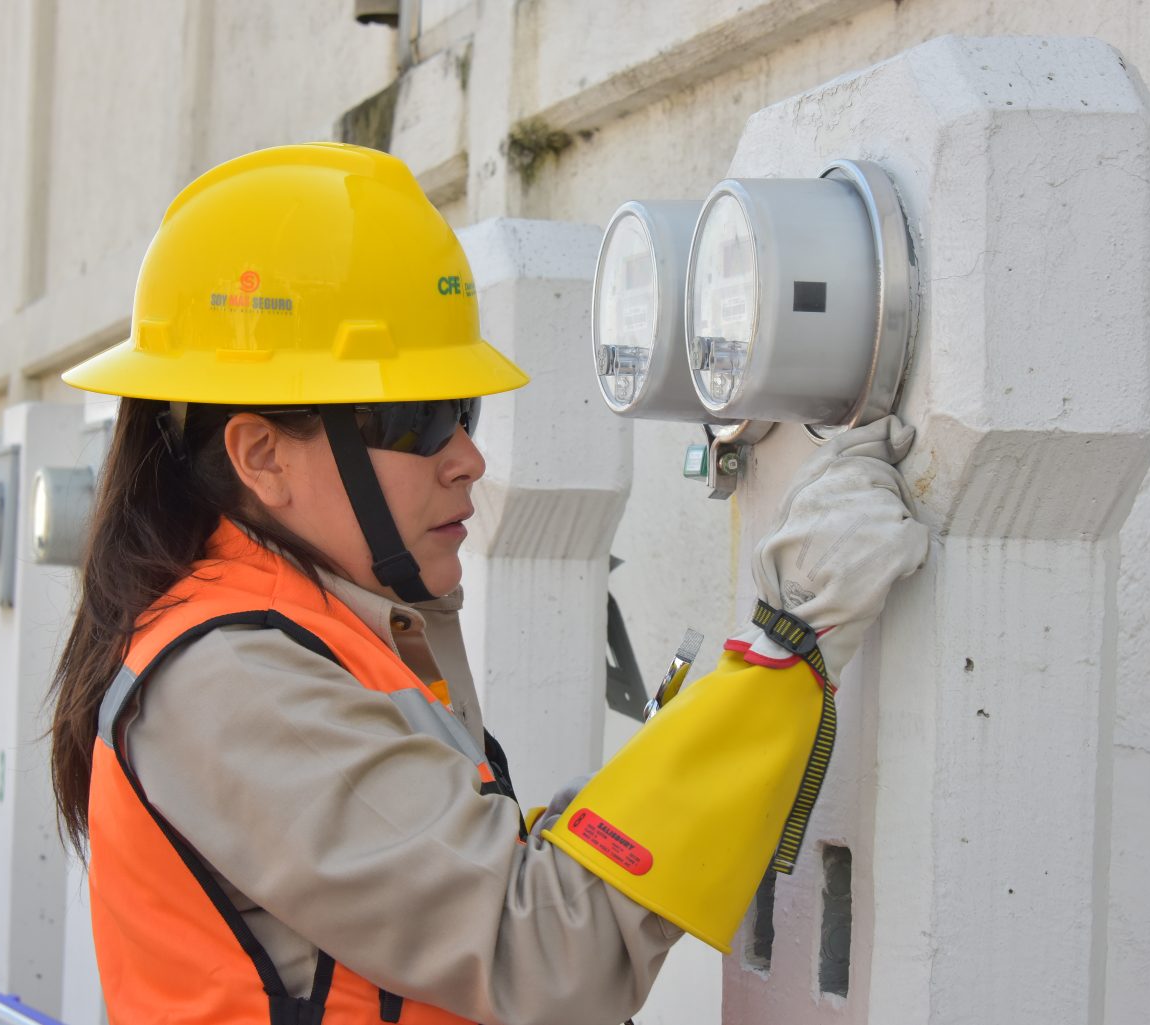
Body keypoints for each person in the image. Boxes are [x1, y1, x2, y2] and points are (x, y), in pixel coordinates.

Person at [48, 142, 929, 1025]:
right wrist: (789, 640)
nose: (467, 459)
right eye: (420, 420)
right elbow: (545, 949)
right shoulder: (231, 682)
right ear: (262, 455)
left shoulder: (309, 633)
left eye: (462, 414)